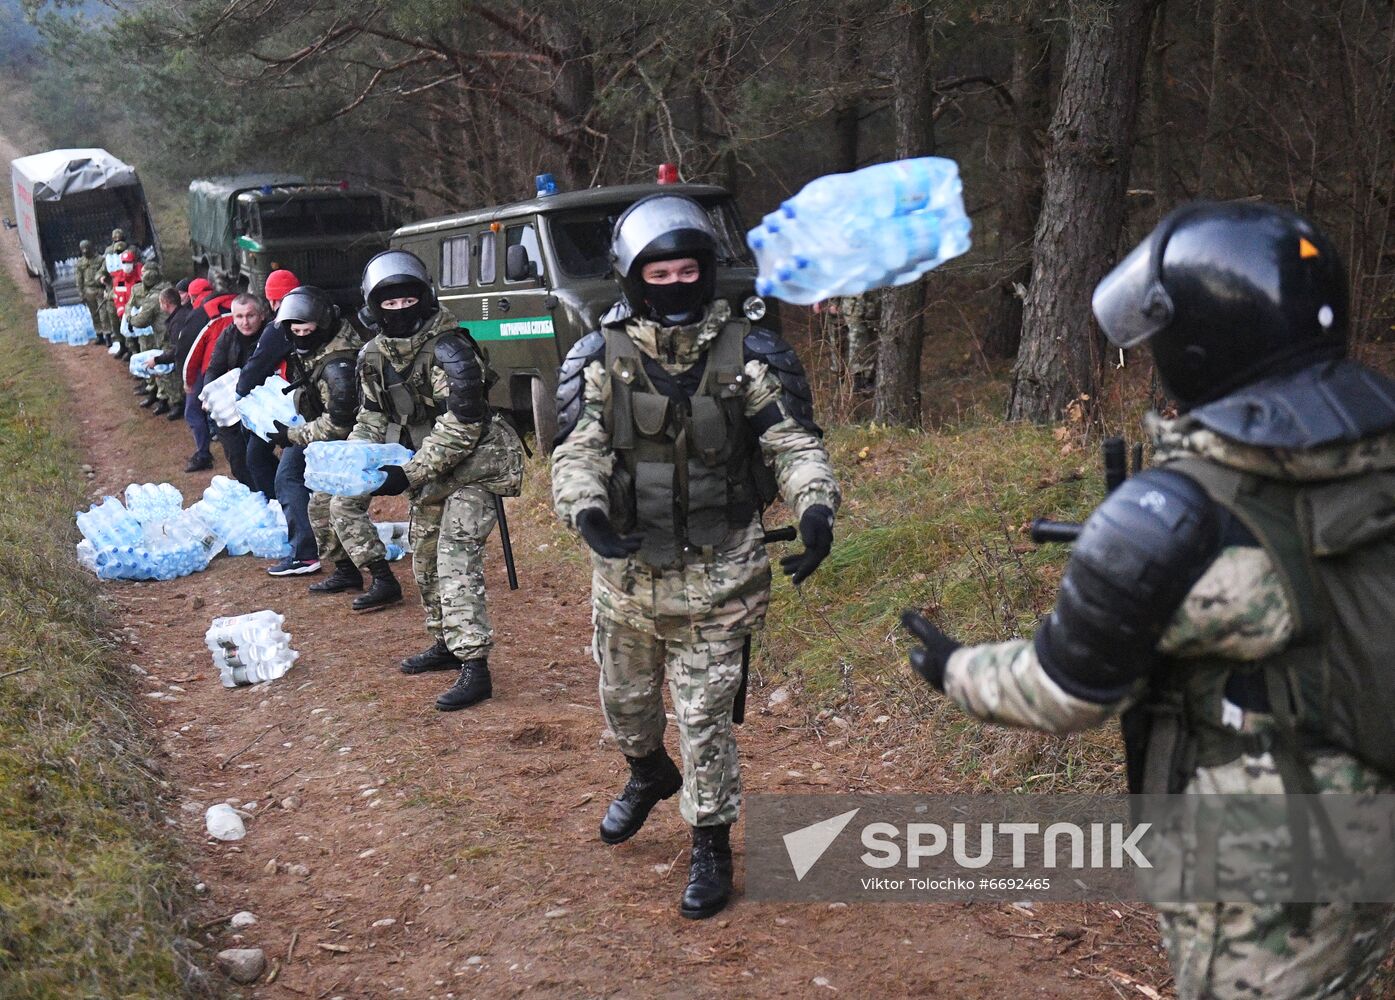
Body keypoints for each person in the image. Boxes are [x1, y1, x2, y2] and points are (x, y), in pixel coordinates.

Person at [902, 201, 1395, 1000]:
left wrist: (956, 668)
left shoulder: (1179, 516)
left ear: (1198, 343)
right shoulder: (1371, 460)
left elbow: (1065, 689)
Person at [550, 194, 841, 919]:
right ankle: (646, 772)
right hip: (626, 574)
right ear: (631, 276)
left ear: (707, 272)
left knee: (704, 718)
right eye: (660, 272)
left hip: (722, 574)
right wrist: (584, 511)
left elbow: (791, 441)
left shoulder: (751, 353)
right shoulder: (599, 358)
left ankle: (710, 843)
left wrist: (813, 507)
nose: (675, 283)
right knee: (626, 708)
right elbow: (577, 449)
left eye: (688, 270)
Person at [332, 250, 524, 710]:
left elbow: (464, 424)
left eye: (407, 300)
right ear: (373, 307)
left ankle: (475, 665)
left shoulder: (450, 349)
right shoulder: (373, 356)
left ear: (425, 297)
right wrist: (354, 460)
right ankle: (445, 643)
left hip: (477, 466)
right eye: (389, 303)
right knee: (424, 557)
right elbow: (372, 416)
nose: (399, 310)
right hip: (429, 468)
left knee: (455, 558)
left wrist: (409, 473)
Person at [262, 286, 363, 577]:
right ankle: (337, 565)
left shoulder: (337, 365)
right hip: (313, 428)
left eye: (307, 330)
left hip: (336, 438)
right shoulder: (321, 347)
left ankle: (311, 556)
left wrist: (292, 436)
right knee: (311, 494)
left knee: (297, 482)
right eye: (296, 330)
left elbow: (339, 423)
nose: (301, 336)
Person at [203, 294, 269, 489]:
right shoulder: (228, 335)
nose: (245, 322)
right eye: (239, 317)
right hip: (235, 400)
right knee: (238, 458)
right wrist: (209, 394)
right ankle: (253, 493)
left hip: (265, 401)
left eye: (250, 316)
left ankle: (270, 494)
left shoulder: (271, 334)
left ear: (262, 315)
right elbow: (214, 368)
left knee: (257, 458)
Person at [178, 278, 236, 473]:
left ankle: (203, 455)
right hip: (239, 372)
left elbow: (189, 351)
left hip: (210, 372)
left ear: (193, 296)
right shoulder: (239, 305)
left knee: (193, 411)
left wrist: (187, 380)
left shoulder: (200, 315)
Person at [125, 258, 177, 415]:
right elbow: (130, 304)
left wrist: (129, 319)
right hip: (162, 334)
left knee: (166, 370)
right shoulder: (166, 288)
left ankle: (175, 402)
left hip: (162, 335)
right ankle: (163, 396)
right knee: (163, 368)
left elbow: (141, 320)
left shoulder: (155, 297)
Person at [74, 240, 108, 345]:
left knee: (104, 314)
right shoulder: (80, 263)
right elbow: (79, 279)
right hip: (88, 291)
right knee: (94, 314)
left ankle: (108, 334)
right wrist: (81, 293)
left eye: (87, 249)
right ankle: (99, 334)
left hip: (100, 289)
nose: (85, 252)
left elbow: (105, 273)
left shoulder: (100, 260)